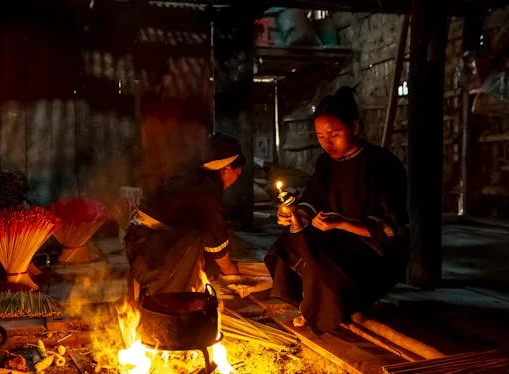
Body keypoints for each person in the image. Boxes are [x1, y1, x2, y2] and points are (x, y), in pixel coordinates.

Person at [264, 87, 409, 334]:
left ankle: (333, 308)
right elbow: (312, 200)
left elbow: (391, 228)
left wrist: (342, 223)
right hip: (335, 237)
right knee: (287, 243)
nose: (326, 143)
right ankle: (312, 304)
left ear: (354, 128)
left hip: (372, 250)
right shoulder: (326, 164)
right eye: (320, 136)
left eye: (334, 134)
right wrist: (294, 214)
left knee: (324, 260)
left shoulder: (382, 164)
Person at [124, 133, 244, 298]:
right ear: (226, 169)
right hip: (149, 248)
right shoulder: (205, 189)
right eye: (237, 175)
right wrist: (234, 276)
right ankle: (170, 300)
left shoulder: (193, 177)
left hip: (140, 242)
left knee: (204, 246)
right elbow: (215, 239)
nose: (235, 181)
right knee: (196, 242)